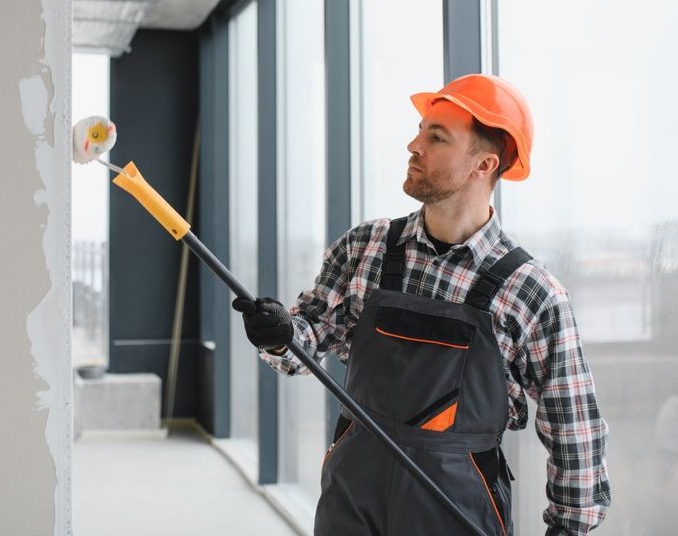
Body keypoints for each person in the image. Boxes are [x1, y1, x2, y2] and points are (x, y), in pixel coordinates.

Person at [232, 74, 610, 536]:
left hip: (456, 508)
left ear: (484, 164)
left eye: (436, 137)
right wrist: (280, 334)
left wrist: (568, 529)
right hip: (354, 496)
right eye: (419, 130)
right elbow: (306, 343)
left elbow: (574, 431)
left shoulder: (529, 291)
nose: (413, 145)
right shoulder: (365, 247)